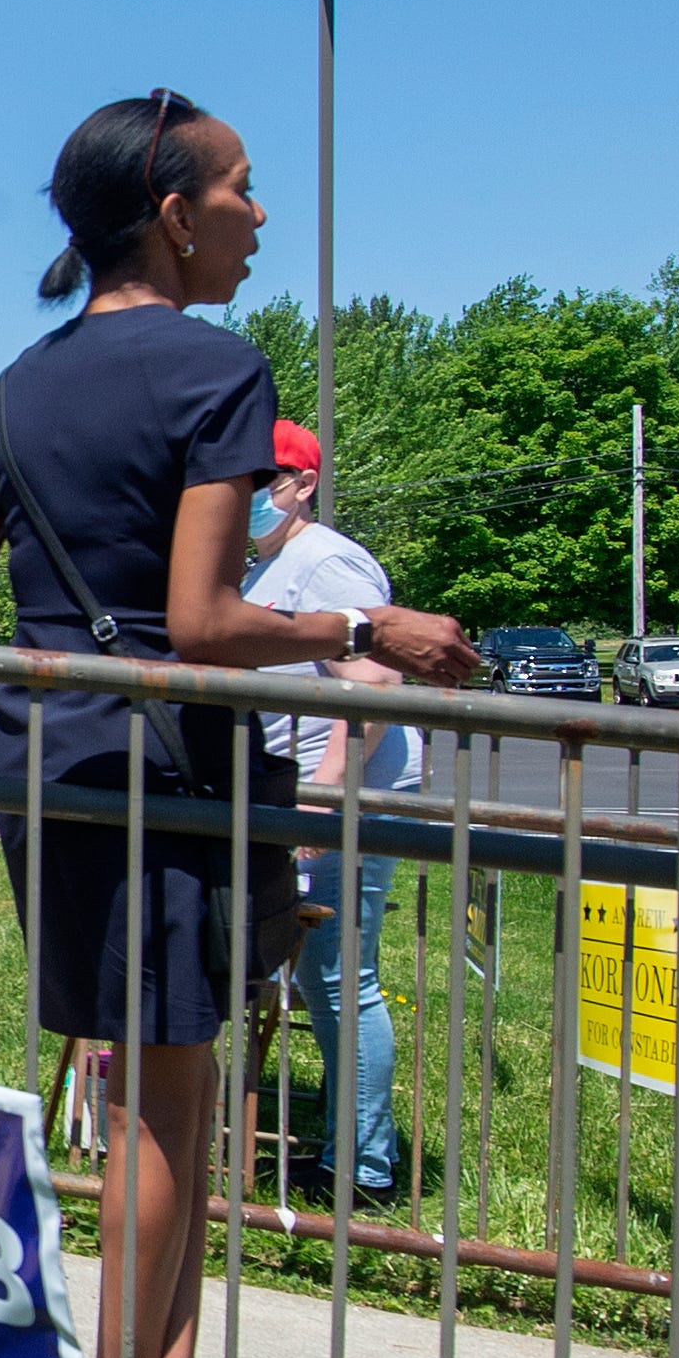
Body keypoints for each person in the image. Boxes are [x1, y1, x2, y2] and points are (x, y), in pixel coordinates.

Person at [0, 90, 477, 1358]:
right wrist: (368, 631)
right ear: (173, 212)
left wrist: (44, 704)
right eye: (240, 187)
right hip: (172, 774)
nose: (259, 213)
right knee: (168, 1094)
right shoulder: (216, 369)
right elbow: (207, 617)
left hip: (53, 772)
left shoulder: (6, 392)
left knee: (162, 1079)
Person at [239, 422, 418, 1202]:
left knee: (342, 977)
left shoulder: (326, 560)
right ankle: (347, 1142)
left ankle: (366, 1170)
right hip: (298, 792)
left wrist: (330, 782)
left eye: (267, 476)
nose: (249, 492)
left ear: (304, 483)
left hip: (343, 795)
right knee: (318, 976)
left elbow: (374, 681)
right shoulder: (267, 565)